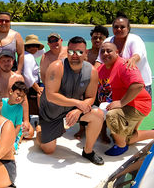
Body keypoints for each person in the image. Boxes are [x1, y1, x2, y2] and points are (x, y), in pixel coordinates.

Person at [37, 36, 105, 165]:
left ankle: (88, 151)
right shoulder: (56, 67)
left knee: (98, 115)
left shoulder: (92, 71)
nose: (75, 55)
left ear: (86, 53)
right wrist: (77, 103)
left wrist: (79, 110)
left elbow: (91, 97)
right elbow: (51, 95)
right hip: (51, 114)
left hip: (73, 110)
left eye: (80, 52)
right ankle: (40, 129)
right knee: (48, 150)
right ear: (67, 51)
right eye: (71, 51)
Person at [97, 42, 154, 156]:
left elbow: (138, 85)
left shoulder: (124, 65)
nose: (105, 53)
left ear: (117, 52)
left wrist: (120, 102)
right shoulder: (102, 69)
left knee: (112, 115)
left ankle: (121, 146)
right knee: (126, 138)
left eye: (109, 51)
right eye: (102, 51)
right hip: (125, 104)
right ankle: (153, 133)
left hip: (138, 105)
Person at [95, 12, 152, 98]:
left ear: (128, 28)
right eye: (116, 27)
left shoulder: (135, 39)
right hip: (118, 85)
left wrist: (132, 60)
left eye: (122, 27)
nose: (119, 29)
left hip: (140, 84)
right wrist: (92, 75)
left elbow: (137, 54)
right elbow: (99, 61)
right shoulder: (108, 41)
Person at [1, 81, 29, 153]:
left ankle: (20, 137)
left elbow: (18, 126)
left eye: (22, 97)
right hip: (1, 130)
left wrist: (12, 138)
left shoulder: (20, 108)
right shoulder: (1, 102)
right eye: (18, 94)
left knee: (11, 149)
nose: (19, 98)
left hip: (13, 132)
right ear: (11, 91)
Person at [22, 34, 45, 115]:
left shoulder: (26, 55)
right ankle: (42, 116)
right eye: (30, 46)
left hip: (29, 86)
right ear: (26, 47)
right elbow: (27, 75)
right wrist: (38, 89)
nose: (33, 48)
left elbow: (42, 51)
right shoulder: (28, 57)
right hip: (32, 87)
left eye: (36, 46)